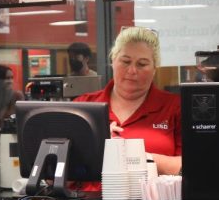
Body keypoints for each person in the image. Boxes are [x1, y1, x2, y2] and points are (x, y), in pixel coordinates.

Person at [76, 27, 181, 175]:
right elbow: (57, 170)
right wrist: (96, 143)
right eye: (125, 61)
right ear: (113, 61)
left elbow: (193, 165)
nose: (132, 71)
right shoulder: (84, 105)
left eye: (142, 64)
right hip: (91, 197)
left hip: (153, 198)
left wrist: (137, 158)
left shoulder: (175, 107)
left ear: (154, 69)